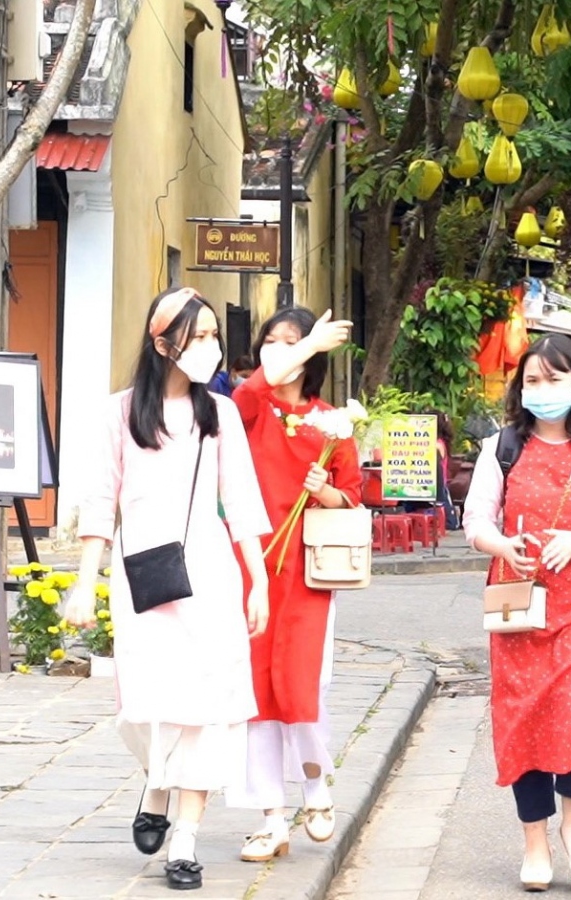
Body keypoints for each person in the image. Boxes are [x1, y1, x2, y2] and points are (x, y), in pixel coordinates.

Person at [63, 287, 272, 892]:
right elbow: (101, 501)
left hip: (208, 571)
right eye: (196, 336)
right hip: (142, 573)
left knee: (208, 704)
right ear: (162, 343)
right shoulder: (119, 413)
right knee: (146, 704)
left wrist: (257, 580)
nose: (208, 347)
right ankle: (156, 782)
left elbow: (242, 501)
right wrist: (85, 582)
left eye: (213, 335)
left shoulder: (221, 415)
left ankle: (184, 839)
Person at [463, 334, 571, 892]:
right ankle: (534, 842)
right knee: (527, 720)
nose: (543, 390)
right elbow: (475, 521)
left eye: (555, 379)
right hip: (521, 600)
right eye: (533, 380)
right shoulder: (503, 448)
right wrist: (500, 546)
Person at [226, 308, 362, 862]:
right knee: (256, 691)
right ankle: (269, 817)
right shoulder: (251, 410)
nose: (276, 353)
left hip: (307, 571)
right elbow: (247, 395)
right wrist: (303, 345)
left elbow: (353, 494)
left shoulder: (332, 422)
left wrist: (326, 491)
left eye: (292, 343)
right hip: (252, 566)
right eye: (271, 342)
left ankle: (314, 784)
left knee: (302, 686)